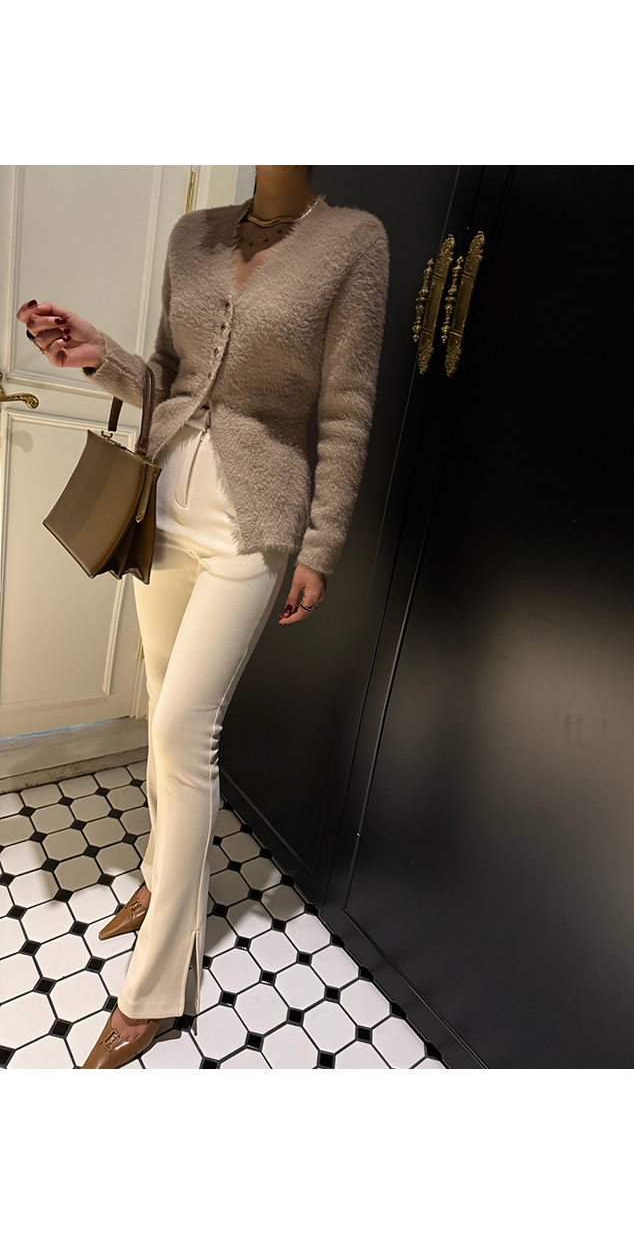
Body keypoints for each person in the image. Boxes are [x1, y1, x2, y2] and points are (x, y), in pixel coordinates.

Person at [16, 164, 390, 1068]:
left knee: (187, 728)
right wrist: (96, 354)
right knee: (160, 705)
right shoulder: (194, 236)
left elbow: (345, 411)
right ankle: (158, 878)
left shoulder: (354, 243)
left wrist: (320, 547)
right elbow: (167, 379)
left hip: (251, 528)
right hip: (162, 509)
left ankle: (155, 988)